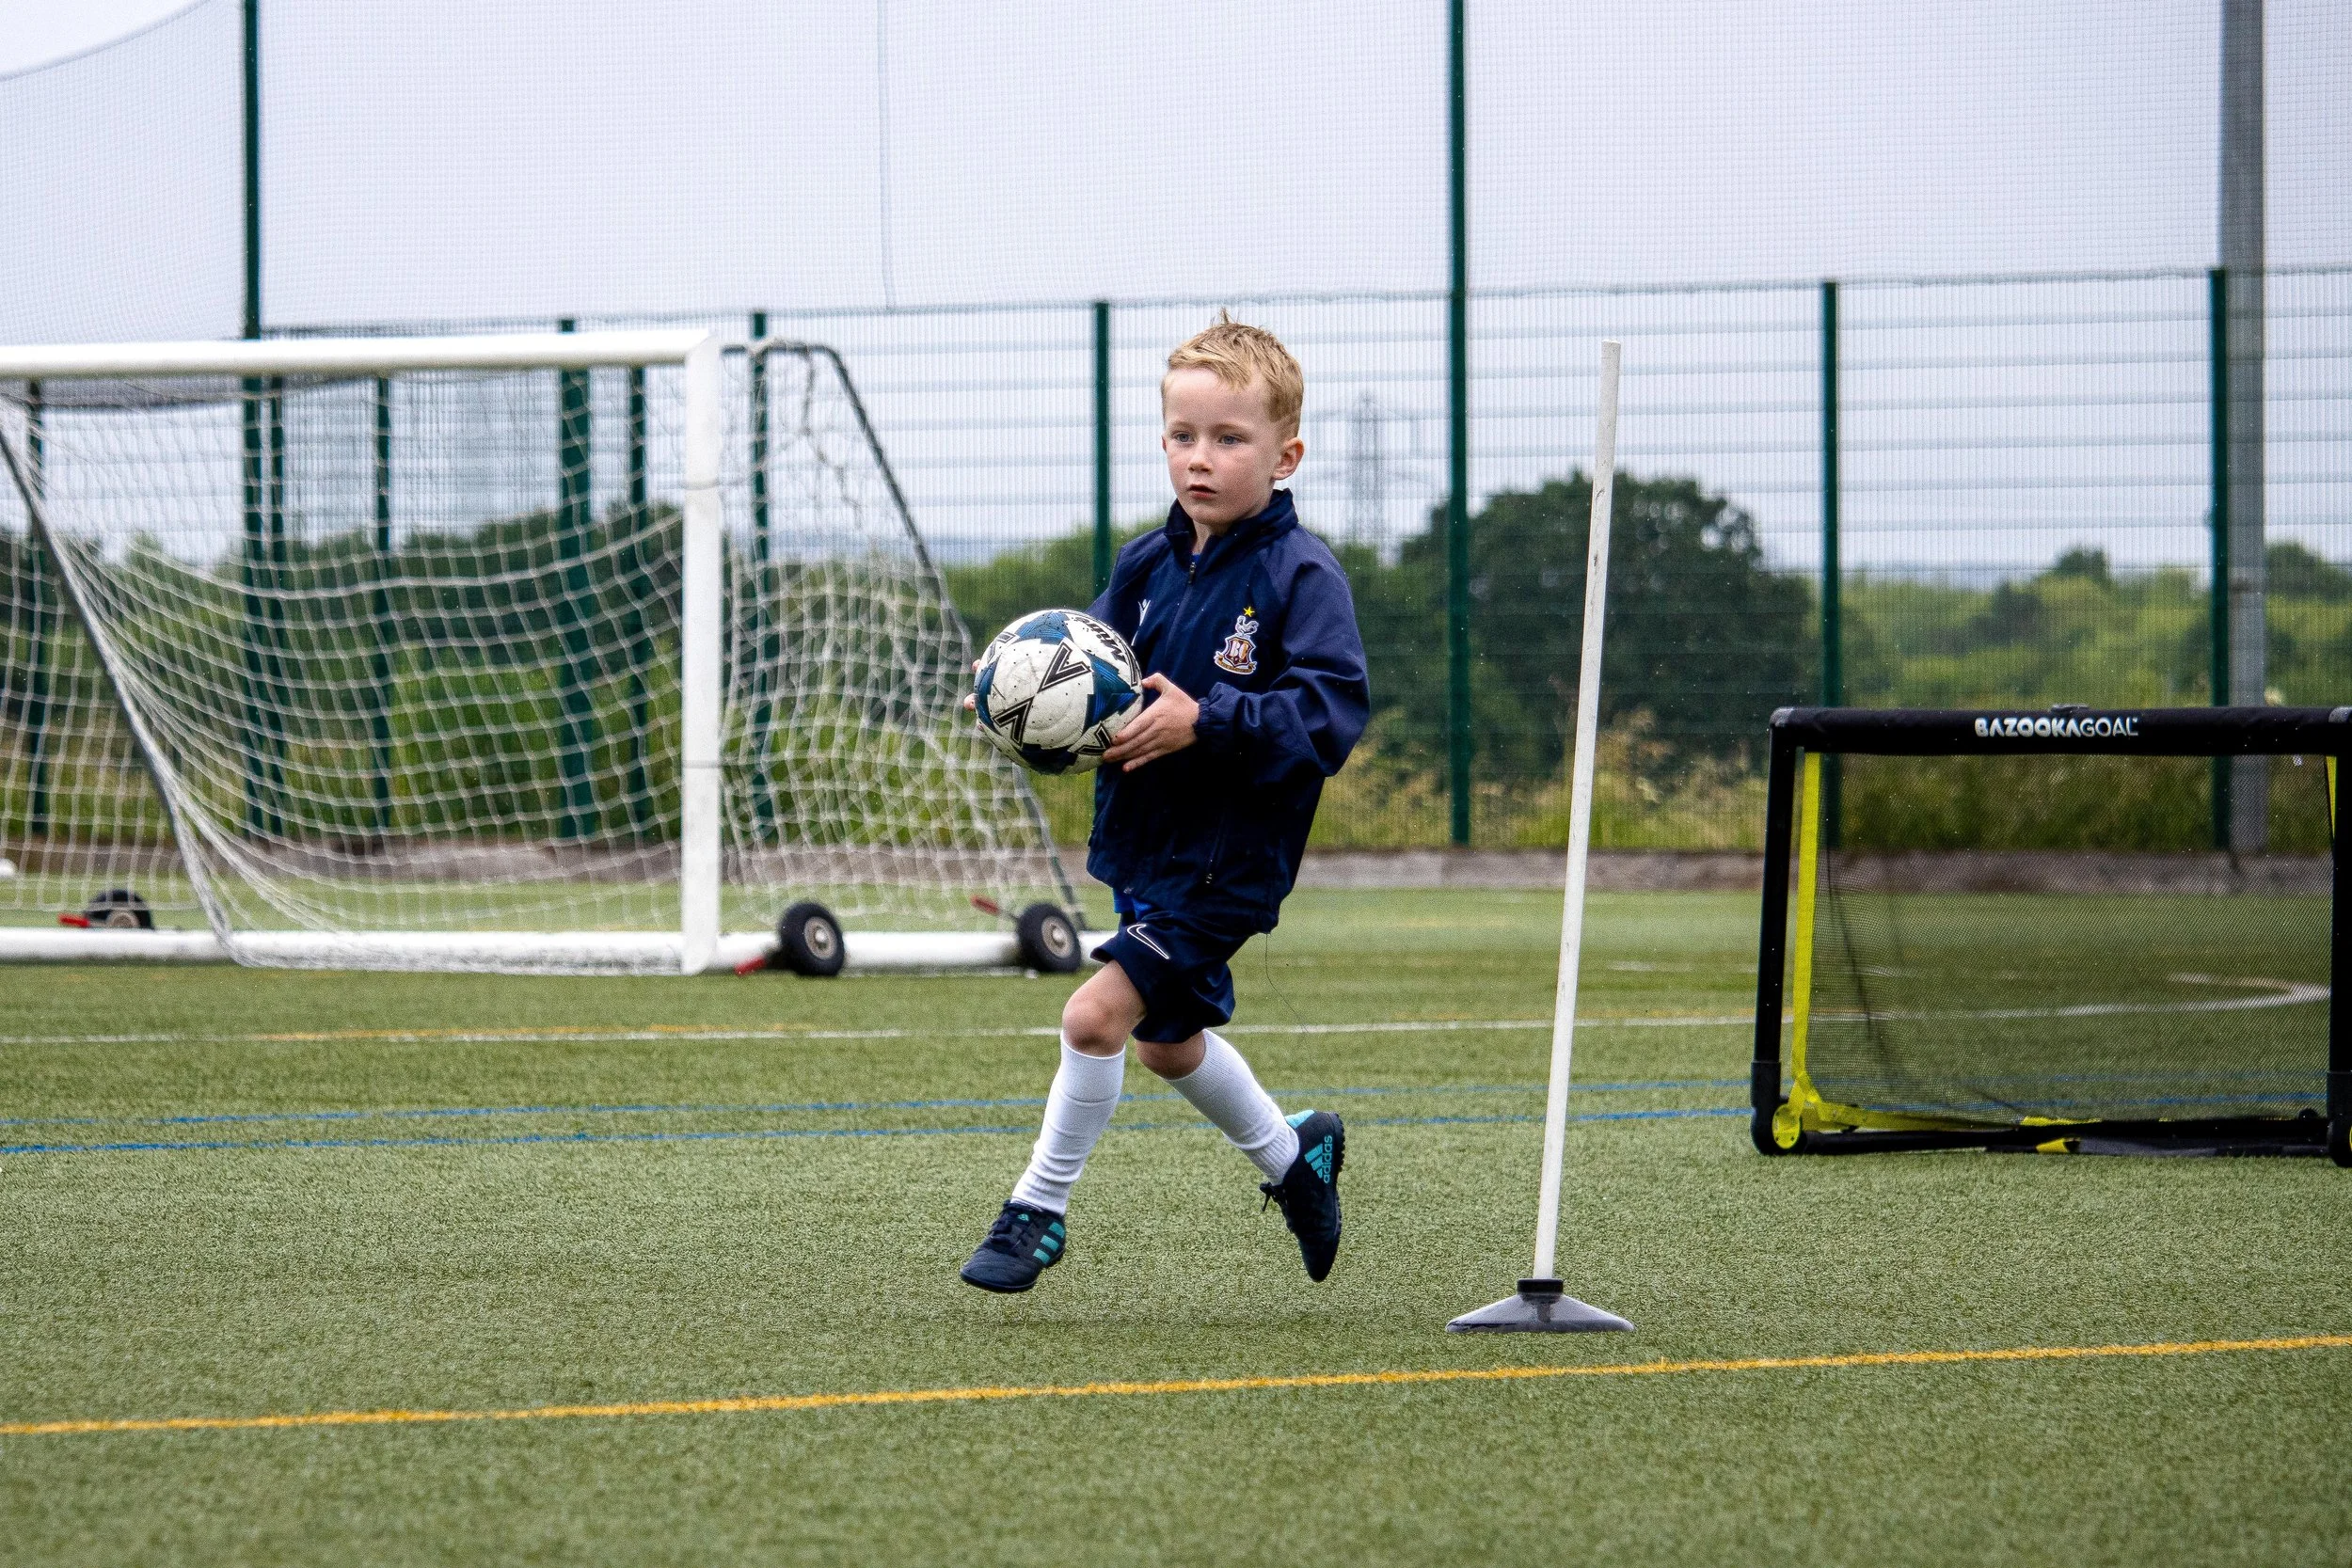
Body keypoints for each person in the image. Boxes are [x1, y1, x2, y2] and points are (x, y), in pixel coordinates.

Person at [961, 314, 1371, 1293]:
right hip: (1147, 844)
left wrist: (1210, 720)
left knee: (1095, 1015)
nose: (1202, 458)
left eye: (1230, 439)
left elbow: (1332, 713)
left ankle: (1036, 1211)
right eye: (1185, 436)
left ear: (1285, 455)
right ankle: (1295, 1160)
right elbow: (1089, 672)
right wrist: (1016, 694)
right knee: (1164, 1043)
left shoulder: (1298, 574)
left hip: (1227, 861)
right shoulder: (1147, 564)